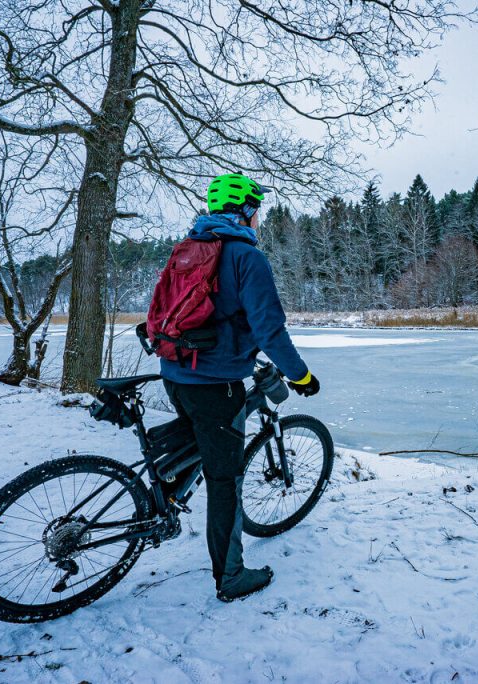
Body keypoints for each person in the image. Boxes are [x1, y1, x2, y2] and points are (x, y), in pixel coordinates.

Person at [160, 173, 320, 602]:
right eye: (257, 211)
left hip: (175, 370)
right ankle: (230, 577)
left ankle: (163, 496)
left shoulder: (189, 248)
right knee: (224, 478)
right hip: (216, 382)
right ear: (247, 210)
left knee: (195, 437)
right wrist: (300, 375)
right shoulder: (247, 258)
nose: (259, 219)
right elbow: (270, 329)